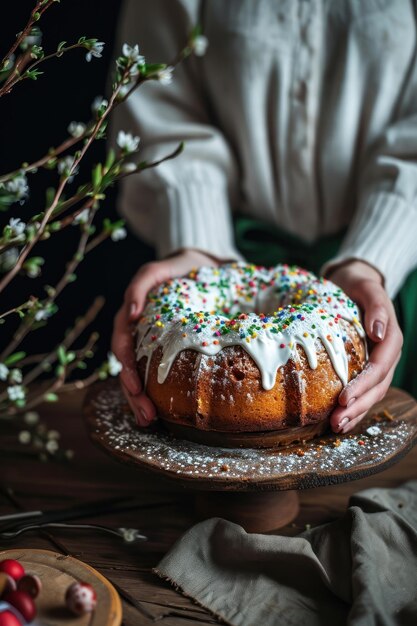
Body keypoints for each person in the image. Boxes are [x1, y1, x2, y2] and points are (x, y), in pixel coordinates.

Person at [111, 0, 417, 435]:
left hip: (383, 282)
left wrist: (371, 259)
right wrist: (196, 244)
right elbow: (161, 105)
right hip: (225, 252)